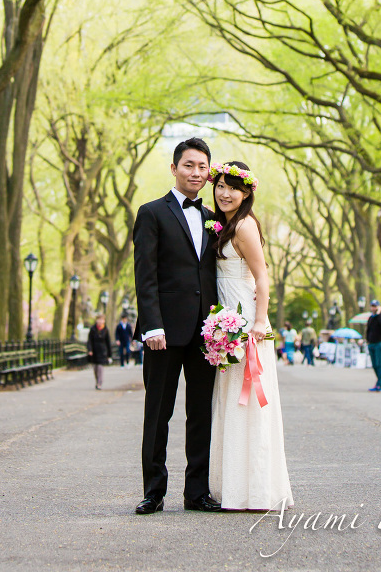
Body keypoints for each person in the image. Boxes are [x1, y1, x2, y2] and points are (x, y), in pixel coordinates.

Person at [132, 137, 220, 515]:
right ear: (174, 168)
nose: (195, 172)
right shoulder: (151, 213)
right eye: (189, 165)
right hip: (163, 334)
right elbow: (145, 274)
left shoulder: (215, 219)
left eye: (202, 167)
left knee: (201, 414)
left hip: (207, 335)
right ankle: (154, 491)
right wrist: (152, 325)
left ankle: (196, 492)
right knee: (158, 414)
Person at [208, 159, 293, 510]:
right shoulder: (223, 226)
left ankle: (256, 490)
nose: (225, 193)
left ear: (246, 193)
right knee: (231, 403)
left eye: (234, 188)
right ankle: (234, 488)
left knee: (250, 403)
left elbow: (261, 276)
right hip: (226, 320)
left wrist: (259, 322)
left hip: (246, 324)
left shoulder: (244, 226)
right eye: (221, 186)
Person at [88, 314, 113, 390]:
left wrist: (109, 355)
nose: (100, 321)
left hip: (102, 351)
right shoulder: (93, 329)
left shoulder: (105, 330)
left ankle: (99, 383)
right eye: (99, 320)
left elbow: (108, 342)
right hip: (94, 351)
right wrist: (90, 350)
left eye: (102, 320)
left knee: (100, 367)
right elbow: (89, 340)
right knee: (95, 368)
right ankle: (97, 380)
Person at [366, 300, 381, 391]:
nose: (373, 308)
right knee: (374, 365)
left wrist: (379, 313)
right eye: (372, 306)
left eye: (375, 306)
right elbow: (368, 330)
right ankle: (379, 382)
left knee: (379, 364)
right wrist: (367, 340)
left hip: (379, 343)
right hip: (371, 343)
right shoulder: (371, 318)